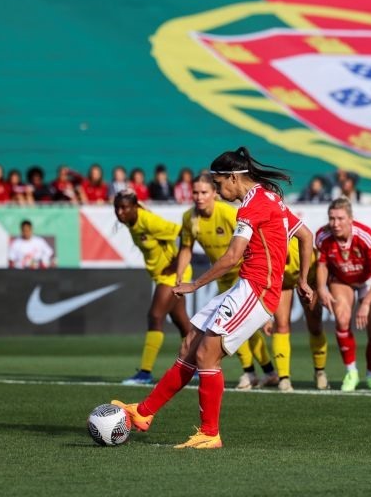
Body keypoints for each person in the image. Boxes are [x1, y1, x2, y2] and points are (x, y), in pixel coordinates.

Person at [111, 146, 314, 449]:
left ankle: (210, 433)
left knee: (207, 354)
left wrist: (196, 284)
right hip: (246, 286)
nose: (217, 192)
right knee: (191, 342)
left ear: (233, 177)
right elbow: (306, 235)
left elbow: (232, 256)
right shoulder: (269, 197)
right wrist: (305, 280)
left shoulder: (253, 205)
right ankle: (143, 413)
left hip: (256, 290)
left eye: (218, 185)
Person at [174, 173, 278, 391]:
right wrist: (180, 275)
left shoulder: (229, 213)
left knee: (249, 331)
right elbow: (186, 248)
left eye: (204, 192)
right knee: (224, 330)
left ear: (214, 193)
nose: (199, 197)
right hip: (222, 277)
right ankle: (250, 373)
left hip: (244, 276)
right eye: (195, 192)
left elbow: (247, 244)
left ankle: (268, 371)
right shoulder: (189, 218)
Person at [113, 191, 193, 385]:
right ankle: (198, 365)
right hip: (161, 276)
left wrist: (177, 264)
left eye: (124, 208)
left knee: (155, 316)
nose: (120, 212)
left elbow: (184, 232)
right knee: (183, 324)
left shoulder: (148, 220)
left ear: (134, 207)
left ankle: (145, 372)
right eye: (117, 208)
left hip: (174, 276)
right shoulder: (132, 223)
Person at [316, 198, 371, 392]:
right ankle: (351, 372)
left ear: (351, 219)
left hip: (369, 280)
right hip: (342, 279)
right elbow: (322, 264)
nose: (335, 223)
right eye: (332, 218)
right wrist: (322, 287)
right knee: (342, 318)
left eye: (340, 218)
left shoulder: (365, 235)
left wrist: (365, 303)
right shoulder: (323, 236)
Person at [266, 237, 329, 391]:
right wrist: (266, 316)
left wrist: (320, 288)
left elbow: (320, 265)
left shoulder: (300, 249)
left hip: (309, 278)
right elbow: (264, 282)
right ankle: (284, 378)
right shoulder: (267, 254)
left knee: (315, 325)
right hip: (283, 283)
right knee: (280, 326)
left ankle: (320, 372)